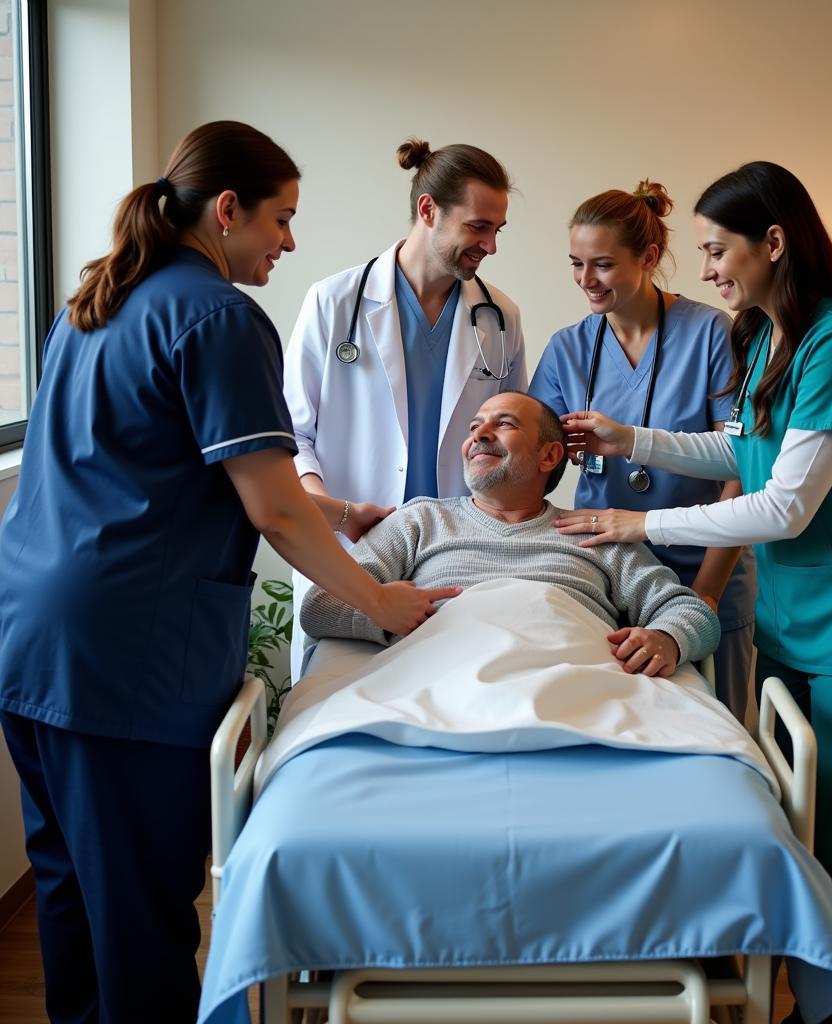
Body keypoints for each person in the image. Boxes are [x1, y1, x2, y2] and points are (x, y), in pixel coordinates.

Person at [0, 121, 455, 1024]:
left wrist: (345, 514)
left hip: (31, 637)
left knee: (71, 893)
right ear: (226, 209)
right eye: (281, 219)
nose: (289, 241)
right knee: (141, 909)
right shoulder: (219, 317)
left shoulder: (94, 302)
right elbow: (272, 507)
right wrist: (380, 602)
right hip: (123, 655)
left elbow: (177, 464)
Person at [555, 162, 832, 1024]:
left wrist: (637, 527)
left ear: (773, 241)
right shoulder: (767, 336)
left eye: (717, 248)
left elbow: (786, 506)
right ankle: (804, 1001)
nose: (709, 269)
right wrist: (632, 439)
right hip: (796, 624)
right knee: (799, 838)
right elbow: (742, 453)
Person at [284, 138, 528, 679]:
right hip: (351, 557)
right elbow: (292, 436)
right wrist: (334, 512)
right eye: (478, 227)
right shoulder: (334, 303)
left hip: (459, 558)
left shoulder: (499, 317)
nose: (490, 245)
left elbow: (514, 437)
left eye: (496, 230)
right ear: (428, 210)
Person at [529, 180, 756, 721]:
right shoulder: (569, 347)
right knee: (618, 724)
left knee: (717, 730)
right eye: (576, 264)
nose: (586, 280)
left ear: (649, 257)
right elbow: (537, 467)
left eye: (602, 264)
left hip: (708, 566)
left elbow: (741, 468)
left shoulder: (710, 334)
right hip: (608, 574)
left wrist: (705, 594)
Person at [302, 391, 719, 673]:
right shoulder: (420, 521)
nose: (480, 434)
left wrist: (667, 638)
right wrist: (384, 610)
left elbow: (695, 612)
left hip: (571, 687)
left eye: (504, 424)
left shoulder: (594, 535)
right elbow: (318, 606)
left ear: (549, 455)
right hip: (437, 680)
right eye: (473, 428)